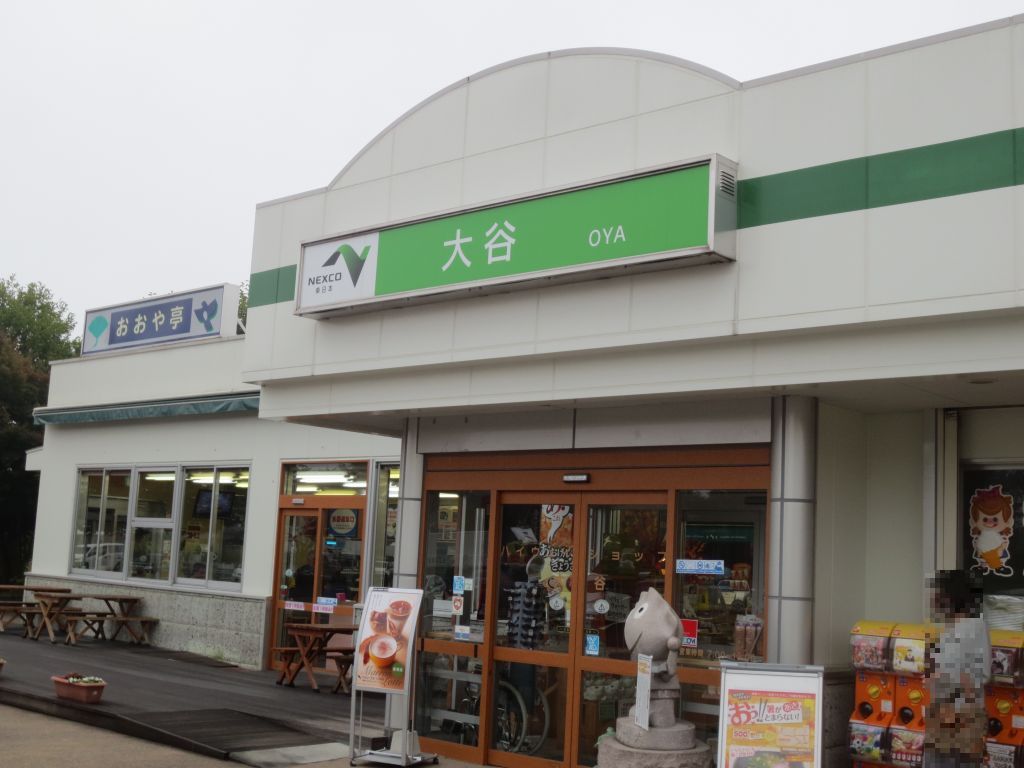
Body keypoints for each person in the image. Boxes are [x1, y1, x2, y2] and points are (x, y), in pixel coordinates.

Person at [925, 570, 990, 768]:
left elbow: (978, 674)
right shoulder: (951, 629)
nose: (934, 600)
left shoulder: (972, 628)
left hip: (960, 718)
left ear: (952, 596)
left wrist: (940, 677)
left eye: (939, 593)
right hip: (946, 715)